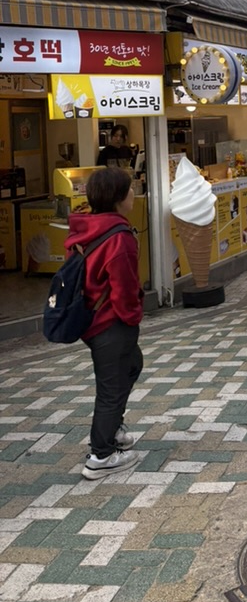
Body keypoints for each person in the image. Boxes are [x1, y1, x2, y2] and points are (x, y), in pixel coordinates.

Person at [65, 167, 143, 479]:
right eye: (129, 190)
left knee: (133, 365)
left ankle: (112, 427)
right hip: (110, 322)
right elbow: (124, 289)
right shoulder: (119, 237)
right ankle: (101, 455)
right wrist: (132, 317)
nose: (134, 194)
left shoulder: (84, 228)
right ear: (118, 198)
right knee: (111, 386)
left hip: (90, 318)